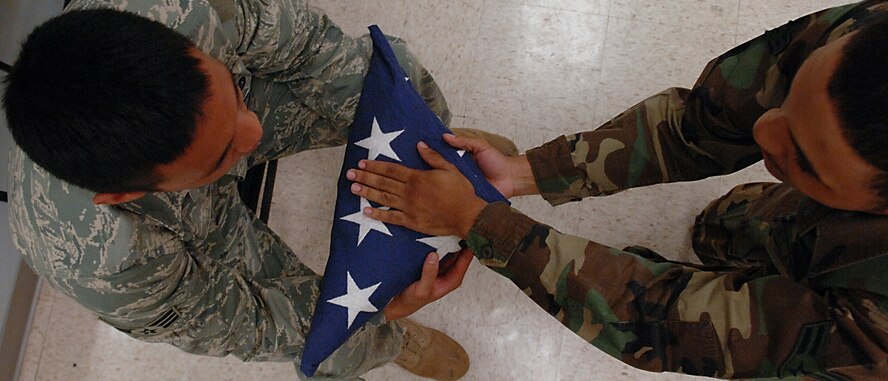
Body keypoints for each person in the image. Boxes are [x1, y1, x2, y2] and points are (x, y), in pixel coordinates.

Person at [347, 0, 888, 379]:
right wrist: (527, 172)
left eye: (805, 160)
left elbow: (665, 322)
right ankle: (735, 233)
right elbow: (703, 123)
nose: (763, 132)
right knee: (754, 222)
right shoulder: (870, 46)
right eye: (791, 95)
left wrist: (482, 224)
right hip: (809, 222)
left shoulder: (873, 335)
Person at [1, 1, 491, 380]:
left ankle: (446, 151)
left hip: (199, 133)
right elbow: (248, 324)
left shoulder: (180, 12)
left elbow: (309, 48)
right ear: (120, 196)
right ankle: (390, 340)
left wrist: (409, 146)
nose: (255, 135)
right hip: (182, 230)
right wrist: (381, 309)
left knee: (389, 70)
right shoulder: (107, 264)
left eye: (232, 97)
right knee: (328, 345)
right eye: (224, 155)